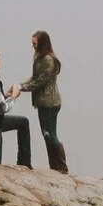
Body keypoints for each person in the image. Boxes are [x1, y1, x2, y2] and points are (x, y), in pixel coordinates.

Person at [27, 29, 68, 173]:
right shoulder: (39, 57)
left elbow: (40, 81)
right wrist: (21, 85)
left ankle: (62, 166)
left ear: (42, 43)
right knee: (46, 134)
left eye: (35, 43)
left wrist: (22, 88)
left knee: (51, 134)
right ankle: (54, 166)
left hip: (50, 102)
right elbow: (34, 77)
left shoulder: (48, 60)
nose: (33, 46)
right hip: (42, 102)